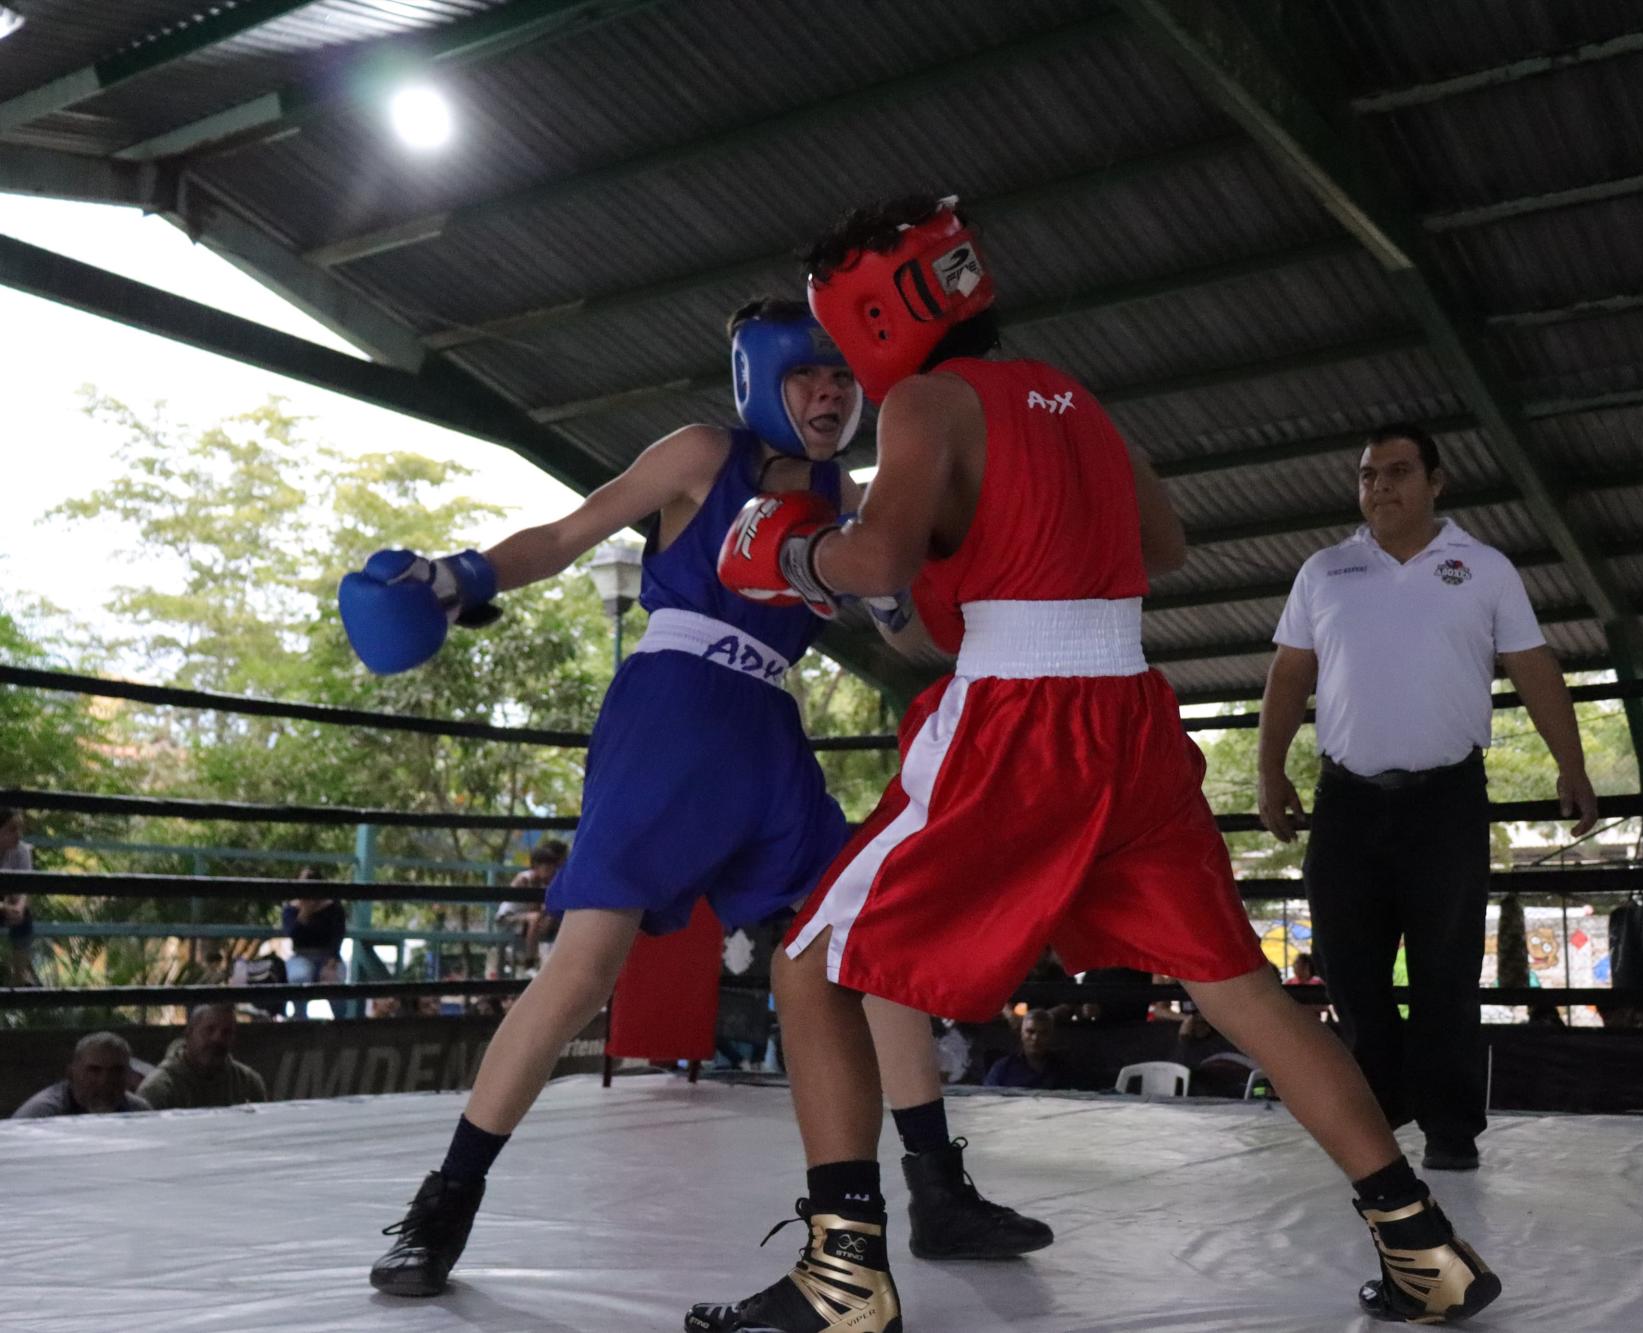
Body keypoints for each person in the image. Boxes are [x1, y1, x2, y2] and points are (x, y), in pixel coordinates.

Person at [692, 196, 1499, 1330]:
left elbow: (874, 557)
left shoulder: (926, 400)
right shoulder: (1072, 395)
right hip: (1130, 717)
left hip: (1019, 721)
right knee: (1239, 985)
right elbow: (1163, 545)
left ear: (876, 317)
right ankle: (1422, 1246)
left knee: (811, 962)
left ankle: (843, 1274)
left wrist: (785, 547)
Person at [340, 299, 1049, 1299]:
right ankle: (442, 1207)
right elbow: (568, 532)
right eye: (806, 375)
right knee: (585, 967)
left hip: (769, 734)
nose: (829, 393)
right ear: (762, 379)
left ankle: (937, 1187)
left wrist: (909, 584)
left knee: (866, 941)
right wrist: (462, 576)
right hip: (670, 714)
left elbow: (904, 639)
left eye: (841, 377)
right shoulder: (702, 455)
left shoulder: (850, 496)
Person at [1255, 422, 1600, 1174]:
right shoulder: (1325, 570)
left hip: (1446, 799)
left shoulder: (1484, 568)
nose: (1380, 486)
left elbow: (1533, 666)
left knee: (1446, 971)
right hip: (1346, 799)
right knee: (1350, 969)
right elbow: (1289, 673)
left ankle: (1450, 1130)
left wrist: (1571, 764)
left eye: (1398, 471)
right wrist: (1268, 770)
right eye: (1368, 474)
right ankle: (1376, 1116)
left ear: (1436, 483)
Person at [136, 1004, 269, 1109]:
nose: (217, 1039)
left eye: (227, 1032)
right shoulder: (159, 1090)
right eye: (209, 1030)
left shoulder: (248, 1083)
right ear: (189, 1033)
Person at [11, 1031, 151, 1118]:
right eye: (94, 1071)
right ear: (71, 1074)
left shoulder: (139, 1112)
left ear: (129, 1076)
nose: (105, 1081)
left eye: (116, 1071)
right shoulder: (41, 1116)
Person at [282, 870, 347, 1020]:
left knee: (334, 984)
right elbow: (292, 934)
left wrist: (331, 963)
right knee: (299, 978)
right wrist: (305, 912)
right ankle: (301, 1021)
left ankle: (341, 1023)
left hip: (329, 957)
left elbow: (337, 937)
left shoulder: (334, 907)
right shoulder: (291, 909)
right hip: (301, 955)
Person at [497, 838, 568, 969]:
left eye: (553, 868)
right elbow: (533, 907)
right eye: (548, 867)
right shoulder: (526, 878)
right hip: (508, 918)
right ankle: (529, 959)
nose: (552, 872)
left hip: (526, 919)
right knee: (535, 918)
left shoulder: (544, 882)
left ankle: (553, 961)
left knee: (553, 918)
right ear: (537, 866)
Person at [981, 1009, 1078, 1090]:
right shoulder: (1003, 1068)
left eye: (1043, 1033)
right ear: (1021, 1034)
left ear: (1050, 1036)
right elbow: (987, 1098)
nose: (1035, 1038)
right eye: (1030, 1032)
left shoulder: (1063, 1069)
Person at [1, 804, 39, 986]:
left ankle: (19, 977)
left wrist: (19, 908)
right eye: (12, 829)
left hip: (9, 901)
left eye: (20, 829)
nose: (18, 835)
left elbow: (24, 887)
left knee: (24, 919)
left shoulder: (22, 851)